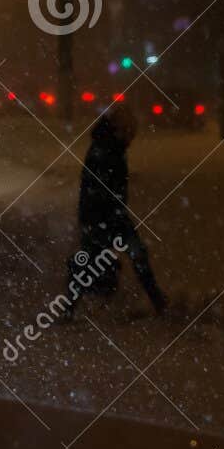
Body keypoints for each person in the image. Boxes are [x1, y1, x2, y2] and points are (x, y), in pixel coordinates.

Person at [62, 102, 168, 318]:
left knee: (97, 259)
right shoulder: (107, 150)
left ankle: (69, 307)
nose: (131, 139)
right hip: (103, 216)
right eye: (130, 133)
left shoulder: (109, 147)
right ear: (121, 129)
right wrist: (108, 218)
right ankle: (158, 301)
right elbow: (101, 189)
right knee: (127, 255)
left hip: (104, 215)